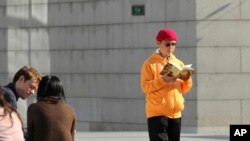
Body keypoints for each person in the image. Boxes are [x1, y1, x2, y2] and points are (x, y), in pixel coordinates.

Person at [140, 28, 193, 141]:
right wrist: (163, 80)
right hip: (157, 114)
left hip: (176, 114)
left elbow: (185, 89)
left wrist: (187, 78)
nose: (171, 47)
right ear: (158, 43)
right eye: (167, 44)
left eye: (174, 44)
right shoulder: (149, 63)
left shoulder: (178, 63)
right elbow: (145, 87)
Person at [27, 75, 76, 141]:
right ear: (60, 91)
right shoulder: (70, 110)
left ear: (41, 90)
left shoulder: (34, 108)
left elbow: (30, 135)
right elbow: (72, 136)